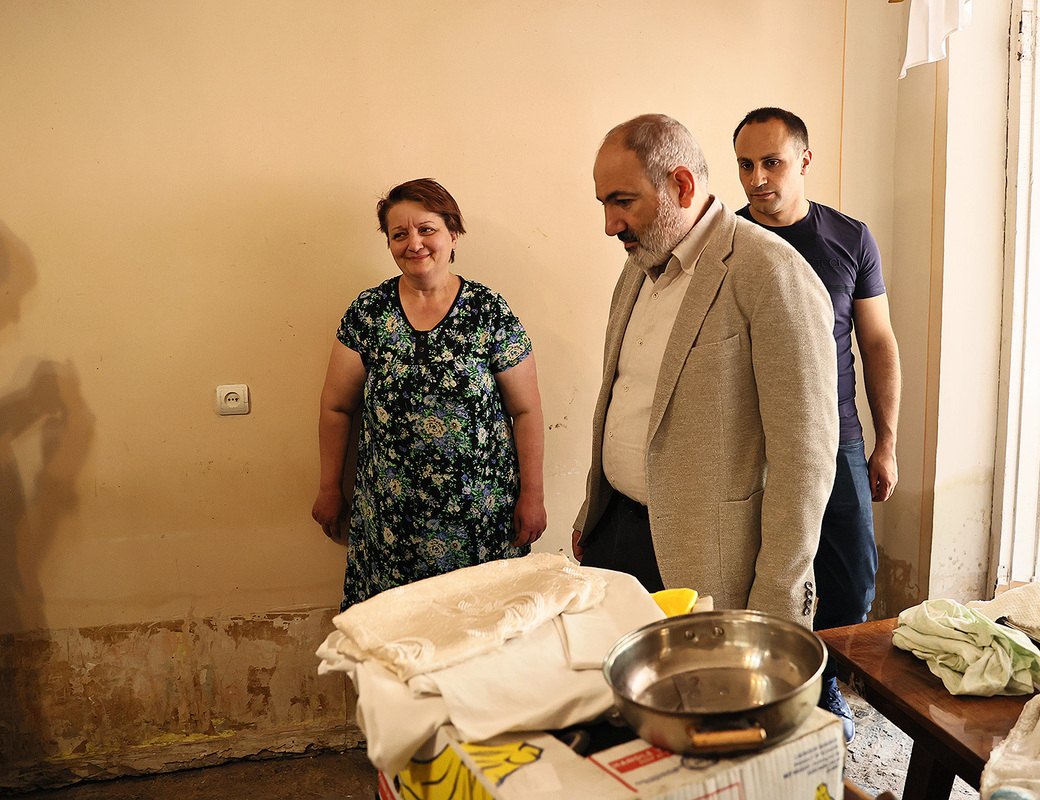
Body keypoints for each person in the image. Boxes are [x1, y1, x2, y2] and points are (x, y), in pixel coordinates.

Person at [572, 113, 838, 630]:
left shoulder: (771, 273)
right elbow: (624, 400)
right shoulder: (638, 264)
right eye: (604, 203)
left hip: (704, 562)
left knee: (696, 686)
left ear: (682, 185)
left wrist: (776, 602)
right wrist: (592, 512)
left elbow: (804, 459)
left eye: (622, 202)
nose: (610, 224)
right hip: (615, 536)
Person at [733, 107, 902, 741]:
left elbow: (877, 342)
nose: (757, 178)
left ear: (804, 160)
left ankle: (825, 679)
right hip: (751, 445)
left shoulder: (850, 239)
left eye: (771, 162)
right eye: (745, 165)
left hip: (837, 439)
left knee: (850, 581)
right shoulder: (727, 242)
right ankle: (766, 686)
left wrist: (886, 443)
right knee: (760, 574)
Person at [313, 178, 546, 611]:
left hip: (480, 517)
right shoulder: (368, 313)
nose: (414, 243)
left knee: (481, 627)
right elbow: (336, 406)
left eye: (426, 229)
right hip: (390, 520)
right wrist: (329, 487)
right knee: (397, 632)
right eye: (399, 234)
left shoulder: (488, 311)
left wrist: (533, 495)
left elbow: (527, 410)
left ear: (453, 234)